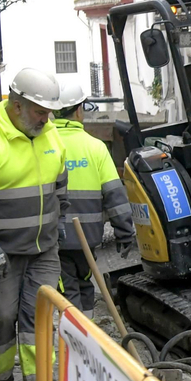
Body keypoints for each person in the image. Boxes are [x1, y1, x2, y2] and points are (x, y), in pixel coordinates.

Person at [0, 67, 69, 381]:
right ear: (17, 106)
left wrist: (58, 223)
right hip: (3, 252)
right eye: (40, 112)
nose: (46, 119)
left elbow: (61, 185)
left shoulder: (49, 134)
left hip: (43, 249)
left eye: (49, 113)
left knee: (39, 318)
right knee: (4, 320)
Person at [52, 81, 136, 311]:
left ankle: (76, 338)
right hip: (88, 238)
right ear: (79, 110)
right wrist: (125, 234)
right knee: (85, 283)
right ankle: (86, 336)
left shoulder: (44, 146)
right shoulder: (96, 147)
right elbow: (115, 195)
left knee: (66, 289)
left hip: (55, 238)